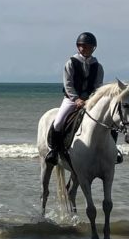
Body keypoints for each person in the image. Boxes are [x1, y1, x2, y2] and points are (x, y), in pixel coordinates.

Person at [44, 32, 118, 165]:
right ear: (78, 47)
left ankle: (114, 151)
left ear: (93, 48)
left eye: (87, 46)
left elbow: (98, 87)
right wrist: (76, 99)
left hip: (91, 101)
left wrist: (91, 100)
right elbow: (68, 85)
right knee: (58, 122)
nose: (84, 48)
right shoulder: (71, 63)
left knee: (110, 123)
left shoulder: (98, 66)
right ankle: (53, 151)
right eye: (81, 46)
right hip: (71, 99)